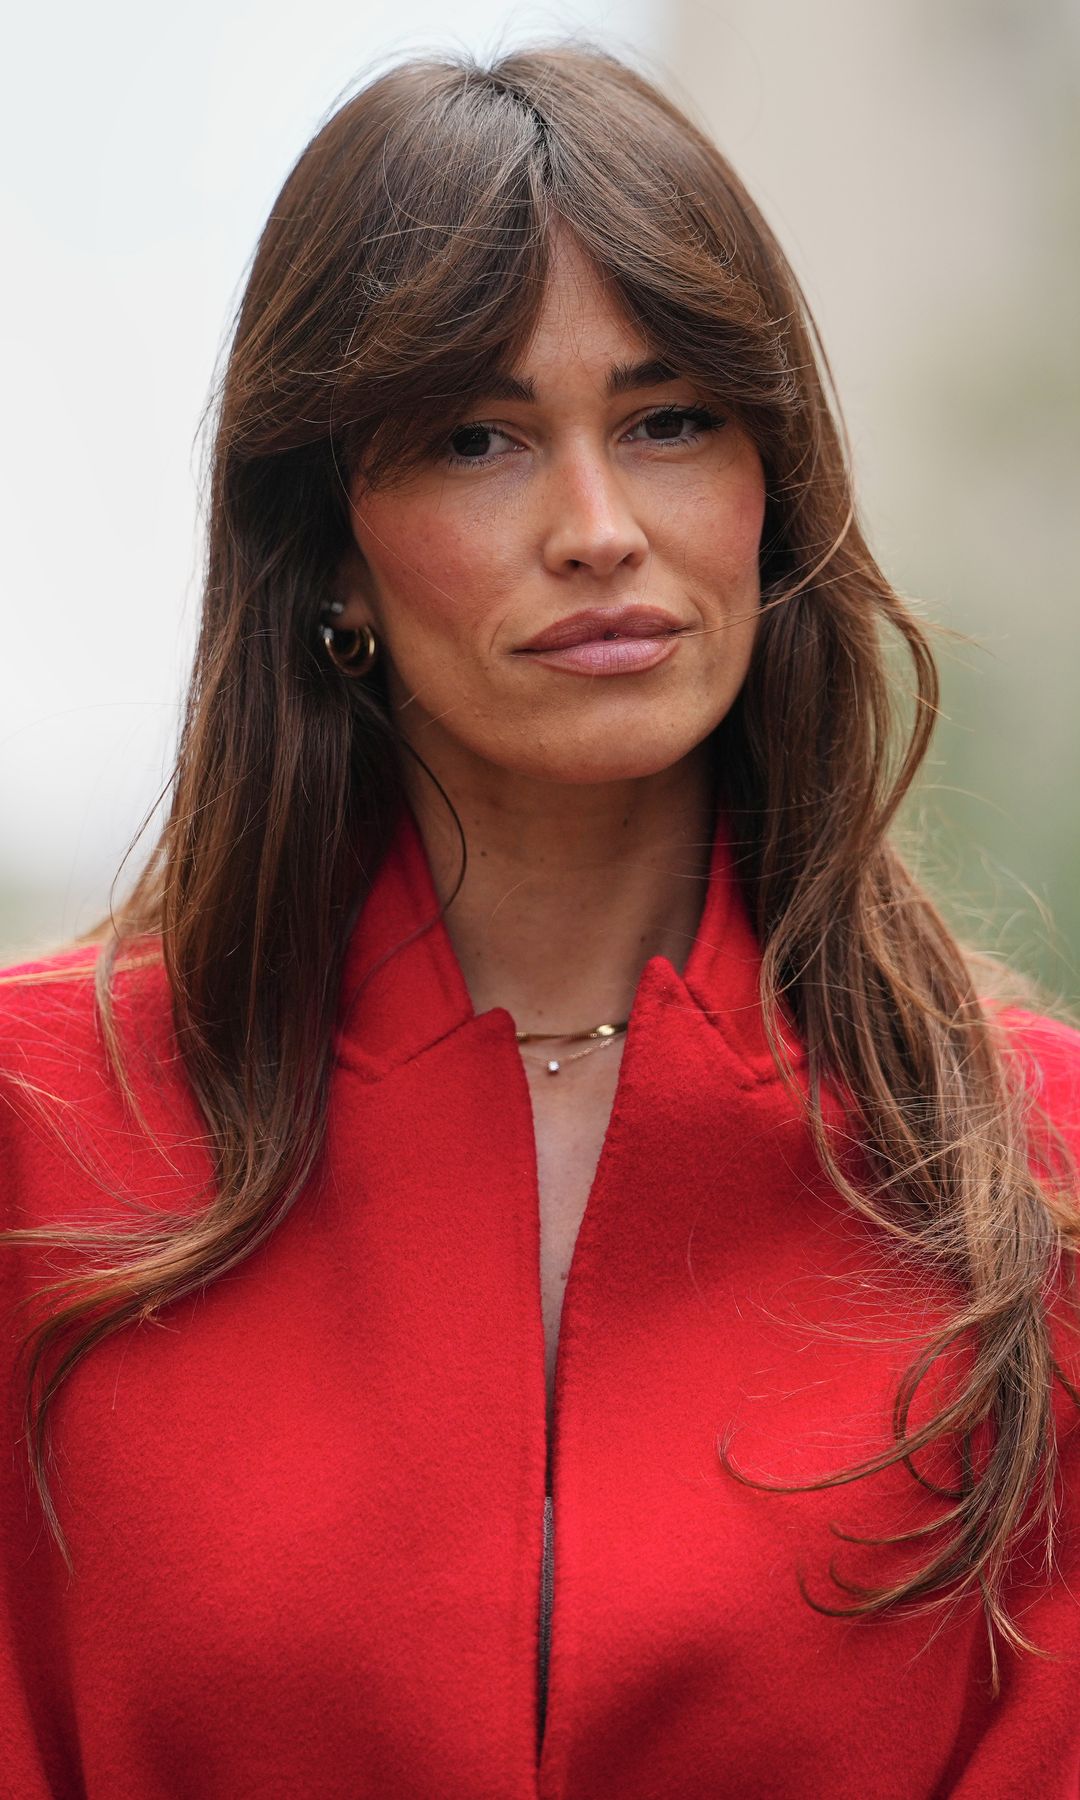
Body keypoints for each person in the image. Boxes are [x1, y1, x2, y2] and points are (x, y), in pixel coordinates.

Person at [1, 41, 1078, 1800]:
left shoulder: (1035, 1174)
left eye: (669, 421)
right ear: (331, 545)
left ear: (770, 491)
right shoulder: (35, 1140)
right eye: (477, 438)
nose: (600, 528)